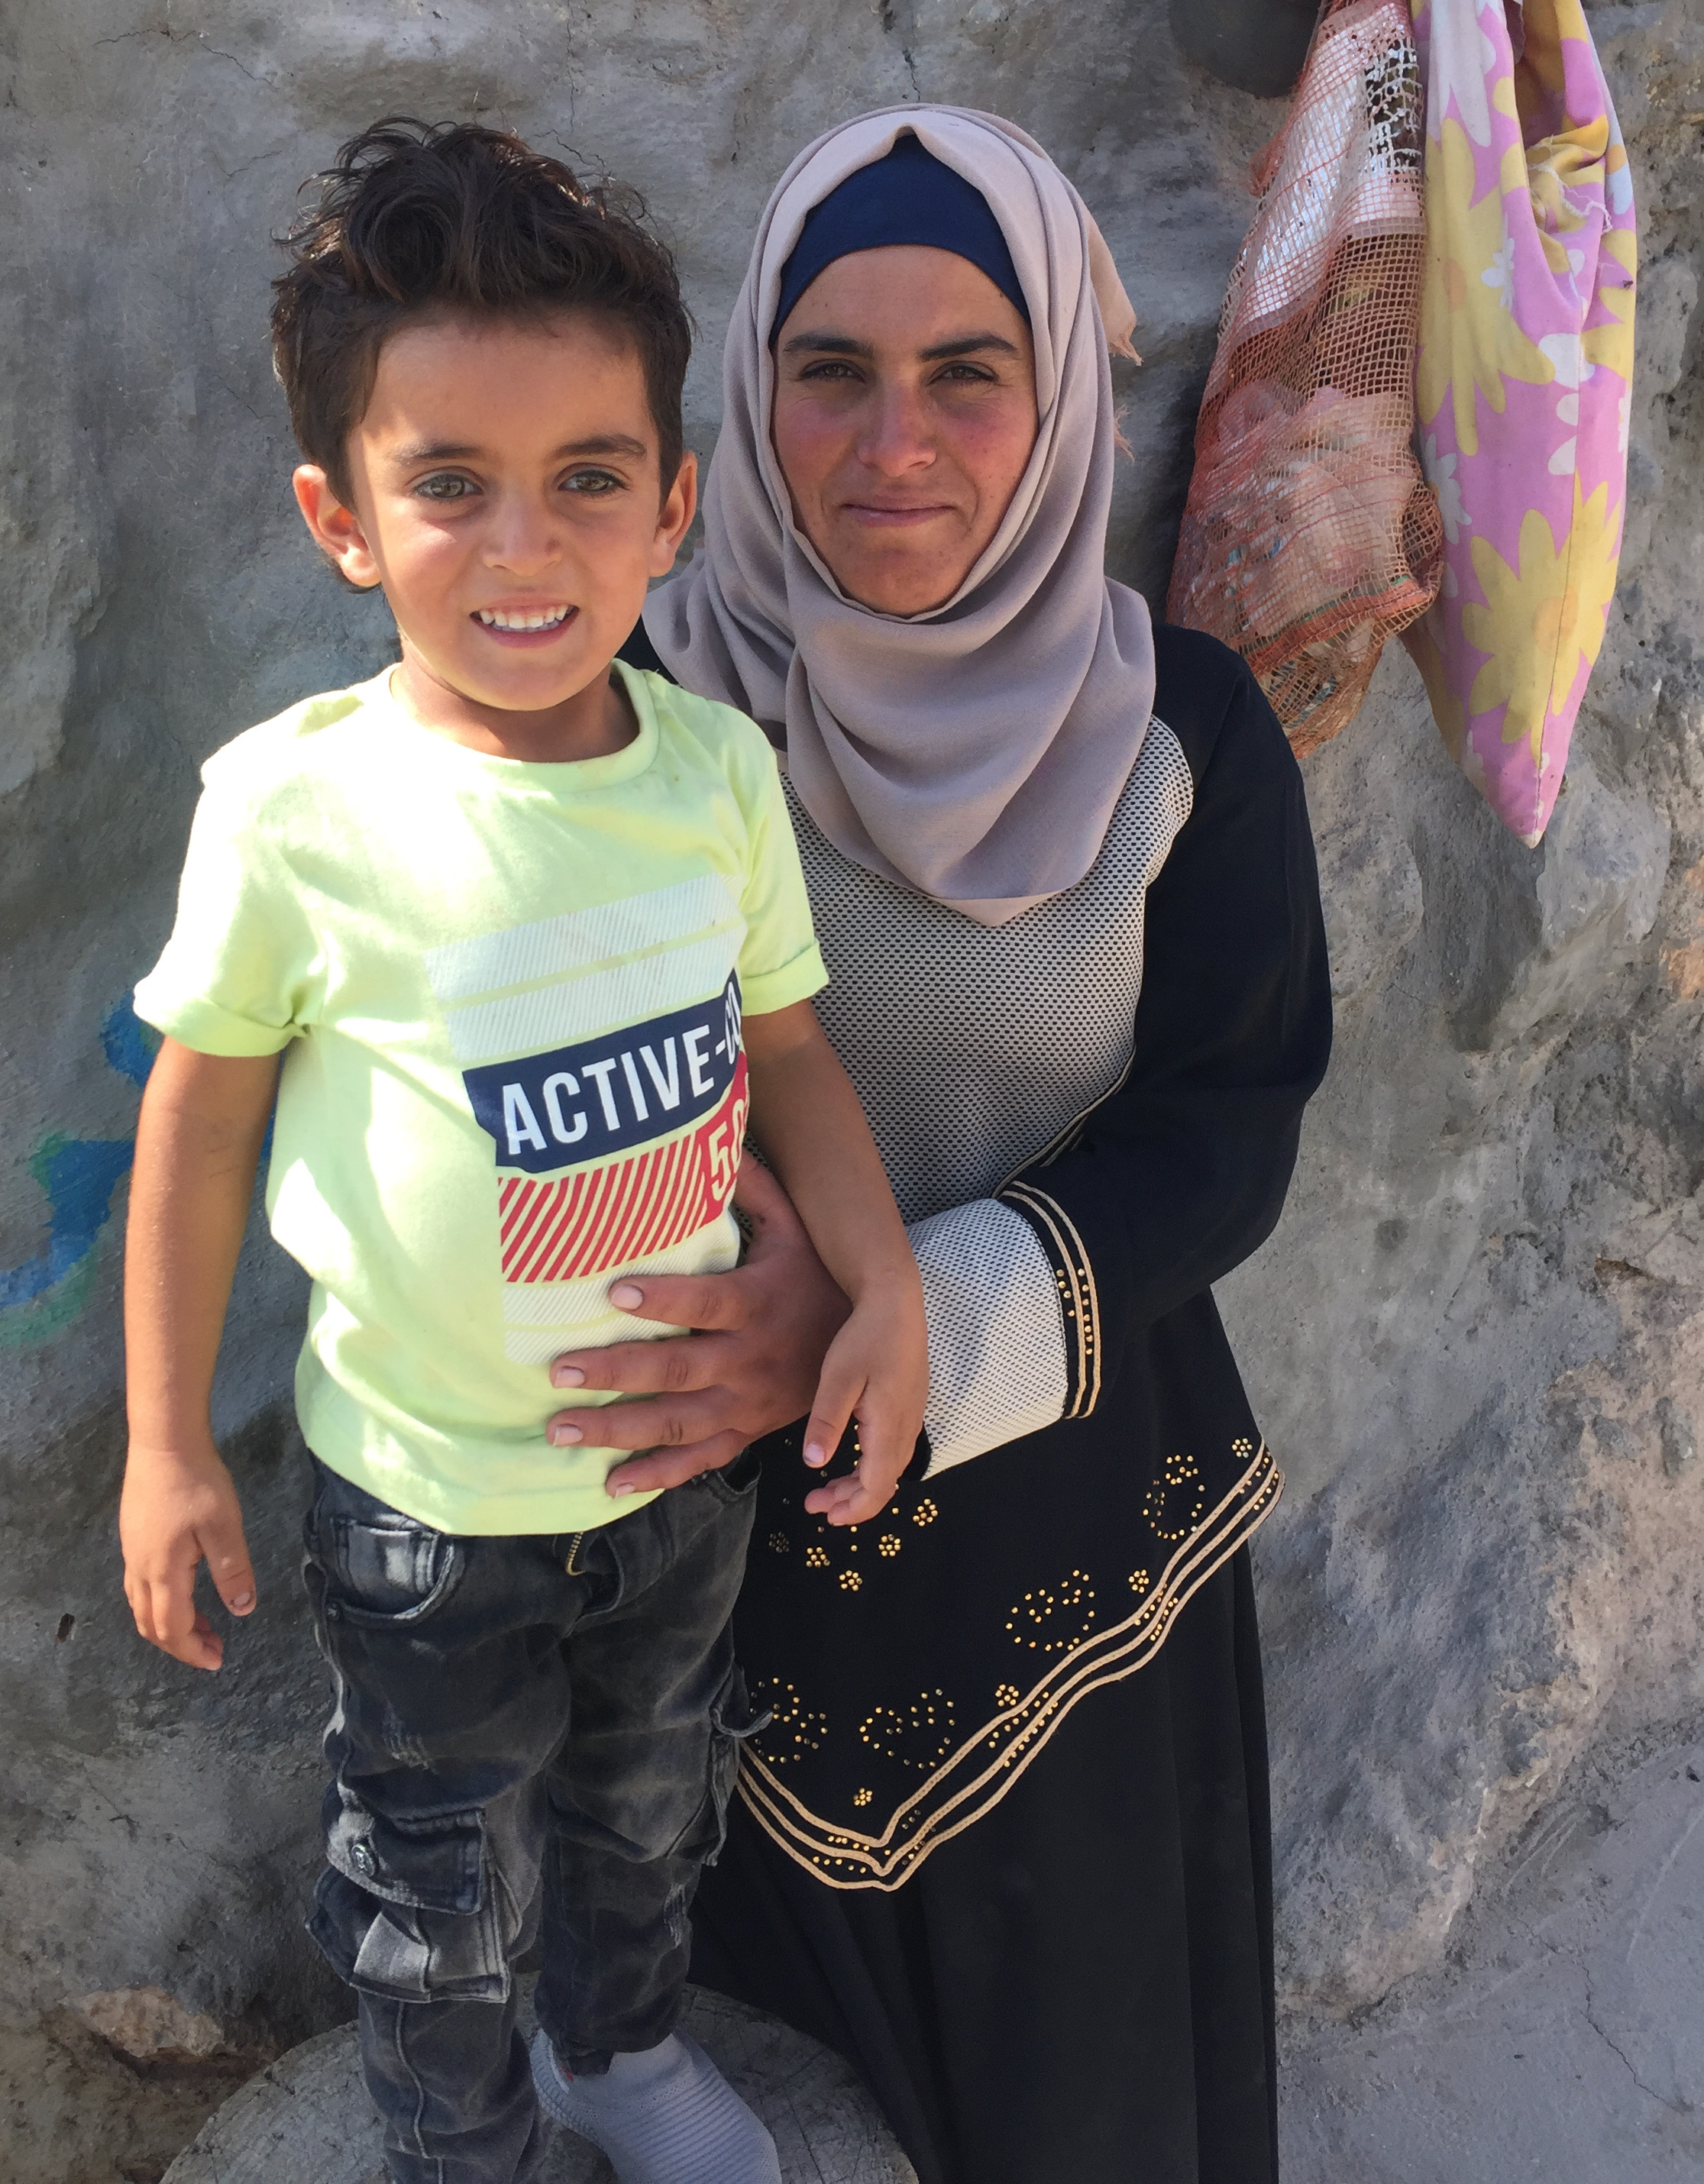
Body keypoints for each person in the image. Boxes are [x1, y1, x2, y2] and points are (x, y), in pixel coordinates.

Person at [115, 119, 928, 2184]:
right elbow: (198, 1120)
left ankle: (617, 2052)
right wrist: (165, 1440)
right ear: (341, 520)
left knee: (652, 1804)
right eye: (447, 488)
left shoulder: (716, 778)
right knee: (435, 1883)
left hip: (679, 1476)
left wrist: (886, 1281)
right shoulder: (300, 813)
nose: (522, 548)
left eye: (584, 481)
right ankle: (455, 2141)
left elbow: (796, 1055)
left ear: (671, 505)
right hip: (422, 1510)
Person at [540, 106, 1334, 2184]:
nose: (896, 439)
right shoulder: (632, 712)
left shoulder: (1187, 740)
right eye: (835, 371)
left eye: (969, 371)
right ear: (753, 392)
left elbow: (1228, 1132)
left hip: (1070, 1531)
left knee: (1085, 2088)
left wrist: (914, 1306)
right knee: (766, 2056)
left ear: (1060, 394)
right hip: (715, 1534)